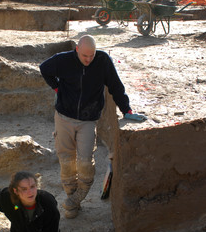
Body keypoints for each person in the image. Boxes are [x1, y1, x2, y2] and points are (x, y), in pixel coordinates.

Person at [39, 34, 146, 219]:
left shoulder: (103, 61)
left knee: (85, 162)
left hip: (88, 120)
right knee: (66, 161)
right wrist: (57, 88)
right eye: (84, 56)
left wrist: (126, 109)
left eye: (92, 55)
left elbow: (115, 86)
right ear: (77, 50)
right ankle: (72, 200)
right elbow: (44, 69)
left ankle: (77, 198)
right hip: (64, 117)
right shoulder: (63, 60)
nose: (88, 60)